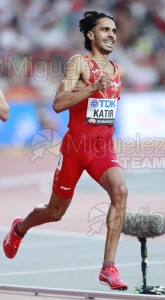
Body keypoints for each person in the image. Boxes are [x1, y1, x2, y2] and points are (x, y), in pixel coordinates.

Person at [3, 11, 128, 290]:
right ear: (91, 35)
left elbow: (104, 112)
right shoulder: (78, 64)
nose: (111, 35)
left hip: (102, 149)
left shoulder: (118, 71)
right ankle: (19, 228)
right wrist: (93, 87)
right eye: (105, 30)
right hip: (75, 148)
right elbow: (58, 103)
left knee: (120, 191)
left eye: (114, 31)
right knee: (55, 211)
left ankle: (109, 267)